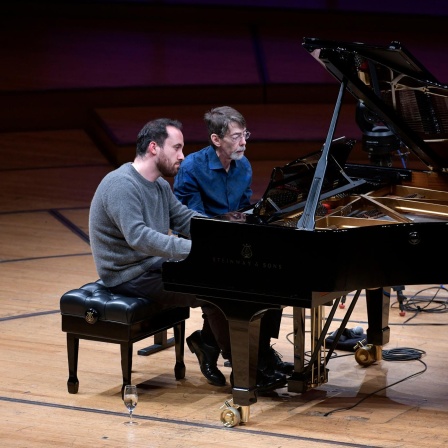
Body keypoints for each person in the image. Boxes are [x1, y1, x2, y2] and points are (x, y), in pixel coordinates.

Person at [89, 117, 285, 392]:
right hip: (127, 274)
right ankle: (247, 371)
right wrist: (200, 249)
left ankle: (260, 358)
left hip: (152, 266)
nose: (183, 156)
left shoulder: (158, 185)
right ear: (154, 148)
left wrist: (222, 235)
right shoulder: (121, 185)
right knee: (215, 288)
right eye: (177, 148)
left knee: (244, 275)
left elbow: (184, 219)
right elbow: (140, 237)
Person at [173, 106, 293, 378]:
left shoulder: (244, 166)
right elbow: (192, 223)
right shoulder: (192, 167)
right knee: (224, 290)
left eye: (245, 134)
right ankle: (243, 362)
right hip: (198, 247)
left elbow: (243, 210)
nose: (244, 142)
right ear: (216, 140)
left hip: (229, 240)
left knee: (276, 277)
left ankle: (259, 354)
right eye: (237, 136)